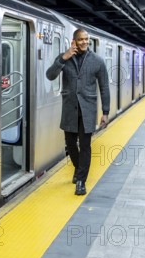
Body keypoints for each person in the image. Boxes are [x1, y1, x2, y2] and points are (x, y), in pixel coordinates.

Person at [46, 28, 110, 195]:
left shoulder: (97, 61)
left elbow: (104, 87)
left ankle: (81, 180)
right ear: (74, 41)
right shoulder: (65, 58)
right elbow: (50, 75)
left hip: (88, 110)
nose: (84, 42)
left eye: (86, 39)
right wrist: (63, 58)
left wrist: (105, 111)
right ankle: (78, 169)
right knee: (70, 144)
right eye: (81, 39)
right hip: (70, 109)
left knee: (86, 145)